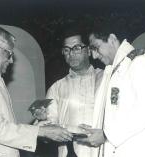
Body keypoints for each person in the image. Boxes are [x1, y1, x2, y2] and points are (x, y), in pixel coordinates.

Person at [0, 26, 72, 157]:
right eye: (9, 54)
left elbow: (2, 125)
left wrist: (39, 127)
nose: (11, 60)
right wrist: (41, 131)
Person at [78, 29, 145, 157]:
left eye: (96, 47)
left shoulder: (142, 63)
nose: (94, 56)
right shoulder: (115, 71)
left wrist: (106, 135)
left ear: (112, 39)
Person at [45, 27, 106, 157]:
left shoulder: (105, 78)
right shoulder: (56, 88)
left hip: (103, 150)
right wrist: (44, 124)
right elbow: (49, 125)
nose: (71, 54)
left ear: (89, 50)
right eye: (67, 50)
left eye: (77, 48)